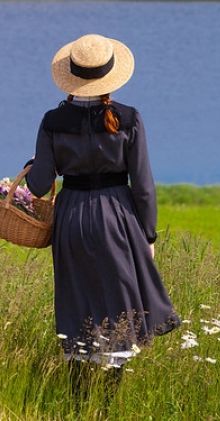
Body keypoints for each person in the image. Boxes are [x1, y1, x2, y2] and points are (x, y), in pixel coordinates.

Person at [25, 34, 180, 392]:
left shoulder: (52, 121)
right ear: (111, 75)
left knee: (77, 298)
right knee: (118, 300)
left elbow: (37, 185)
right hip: (118, 217)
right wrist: (149, 234)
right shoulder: (129, 118)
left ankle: (79, 398)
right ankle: (107, 401)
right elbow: (143, 185)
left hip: (72, 218)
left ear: (72, 75)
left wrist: (33, 166)